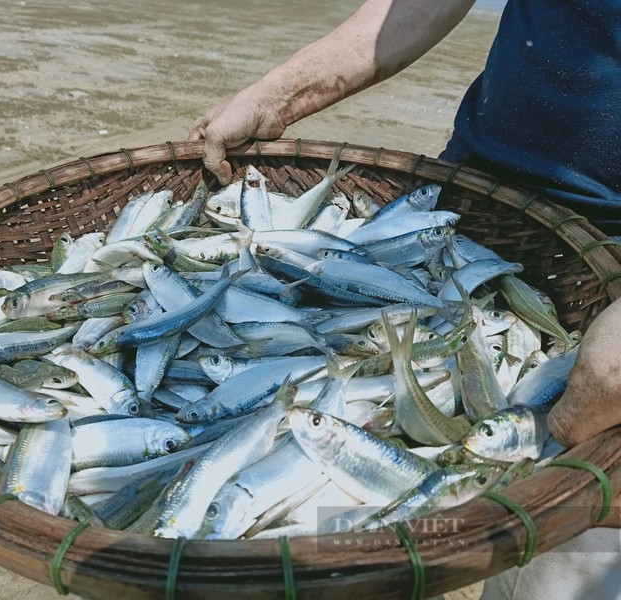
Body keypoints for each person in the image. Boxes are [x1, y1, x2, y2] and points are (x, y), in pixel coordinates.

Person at [186, 1, 621, 598]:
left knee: (569, 563)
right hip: (469, 208)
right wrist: (276, 96)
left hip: (610, 280)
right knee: (341, 538)